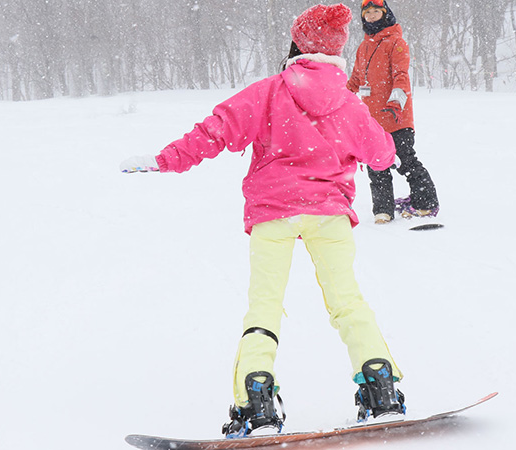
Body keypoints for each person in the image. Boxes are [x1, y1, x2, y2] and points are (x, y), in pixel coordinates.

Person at [120, 3, 405, 437]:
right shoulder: (348, 103)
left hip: (274, 215)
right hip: (328, 215)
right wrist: (365, 125)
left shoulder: (270, 91)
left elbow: (215, 131)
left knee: (265, 307)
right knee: (348, 302)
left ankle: (257, 405)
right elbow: (383, 155)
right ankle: (380, 388)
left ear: (298, 45)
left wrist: (164, 160)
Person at [347, 0, 439, 224]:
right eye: (366, 12)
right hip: (372, 120)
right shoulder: (363, 47)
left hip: (396, 117)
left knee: (404, 160)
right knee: (375, 165)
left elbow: (401, 75)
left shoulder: (396, 42)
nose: (370, 15)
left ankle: (426, 203)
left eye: (375, 11)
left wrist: (396, 102)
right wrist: (340, 98)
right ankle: (383, 210)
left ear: (385, 13)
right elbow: (356, 80)